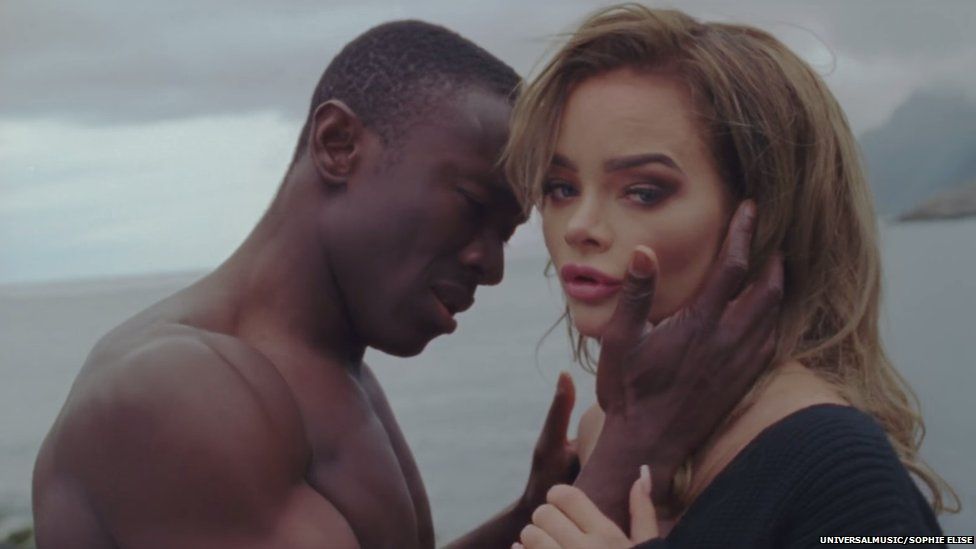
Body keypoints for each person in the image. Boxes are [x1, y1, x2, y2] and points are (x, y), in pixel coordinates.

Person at [31, 19, 781, 549]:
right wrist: (638, 442)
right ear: (338, 145)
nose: (492, 263)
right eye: (472, 206)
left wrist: (531, 515)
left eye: (509, 231)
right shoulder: (176, 395)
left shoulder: (324, 364)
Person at [504, 5, 958, 548]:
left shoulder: (841, 466)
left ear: (766, 217)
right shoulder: (600, 428)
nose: (579, 226)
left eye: (643, 192)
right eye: (561, 188)